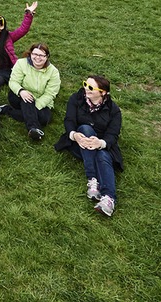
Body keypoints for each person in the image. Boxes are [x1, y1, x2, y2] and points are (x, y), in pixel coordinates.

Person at [54, 75, 123, 217]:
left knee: (103, 154)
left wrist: (100, 143)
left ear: (103, 92)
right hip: (78, 143)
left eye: (91, 87)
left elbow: (113, 134)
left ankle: (108, 199)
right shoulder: (76, 98)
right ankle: (93, 179)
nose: (86, 88)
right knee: (85, 128)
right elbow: (69, 120)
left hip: (100, 144)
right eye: (85, 84)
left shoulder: (113, 110)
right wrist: (74, 135)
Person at [6, 43, 61, 141]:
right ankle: (33, 128)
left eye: (41, 55)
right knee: (28, 100)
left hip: (41, 100)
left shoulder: (53, 72)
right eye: (35, 54)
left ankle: (7, 110)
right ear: (30, 54)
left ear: (47, 56)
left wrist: (33, 107)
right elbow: (13, 82)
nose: (37, 58)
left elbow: (50, 93)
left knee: (45, 119)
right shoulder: (21, 63)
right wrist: (21, 91)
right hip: (19, 96)